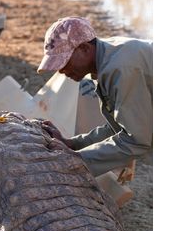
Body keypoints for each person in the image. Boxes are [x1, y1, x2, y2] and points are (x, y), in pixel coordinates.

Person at [37, 16, 153, 179]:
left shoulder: (119, 68)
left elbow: (136, 141)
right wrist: (73, 144)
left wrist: (75, 163)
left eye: (64, 60)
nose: (61, 70)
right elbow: (118, 126)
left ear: (84, 49)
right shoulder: (106, 57)